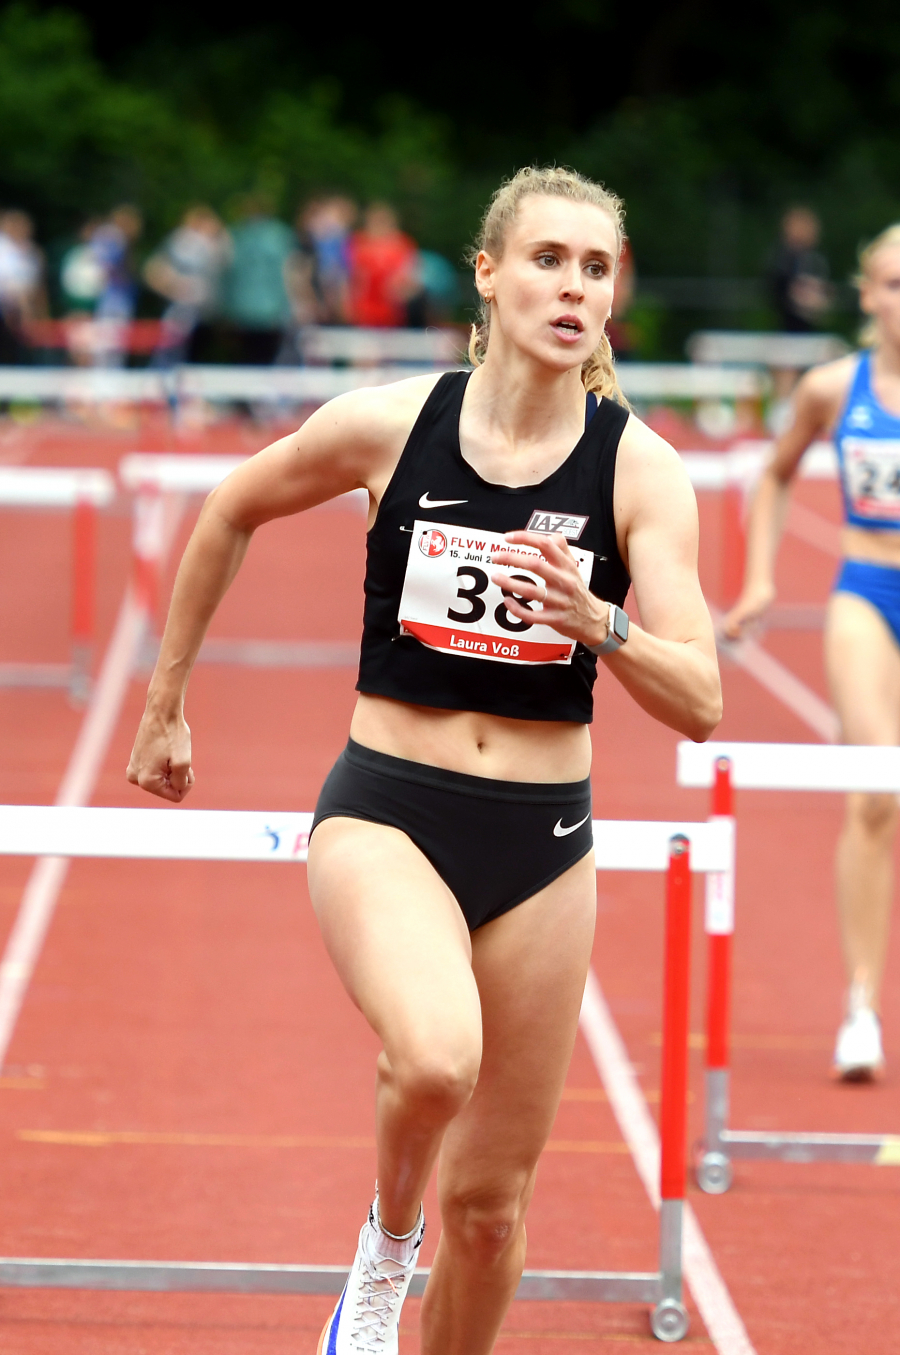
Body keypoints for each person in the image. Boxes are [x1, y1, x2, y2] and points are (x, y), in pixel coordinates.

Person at [126, 165, 721, 1355]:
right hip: (389, 810)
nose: (574, 287)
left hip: (545, 845)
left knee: (494, 1213)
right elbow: (231, 505)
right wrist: (165, 702)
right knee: (436, 1056)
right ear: (490, 274)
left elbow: (701, 697)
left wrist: (600, 620)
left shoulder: (637, 468)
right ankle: (385, 1255)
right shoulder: (394, 424)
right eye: (549, 260)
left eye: (596, 269)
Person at [725, 223, 900, 1081]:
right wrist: (759, 579)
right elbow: (776, 472)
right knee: (875, 798)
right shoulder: (837, 388)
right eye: (894, 284)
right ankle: (861, 1003)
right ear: (867, 295)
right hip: (866, 596)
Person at [144, 206, 232, 364]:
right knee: (173, 350)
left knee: (188, 354)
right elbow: (156, 271)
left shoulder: (213, 242)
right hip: (184, 307)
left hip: (204, 311)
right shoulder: (186, 241)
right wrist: (175, 287)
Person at [222, 195, 295, 364]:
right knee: (265, 361)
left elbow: (227, 273)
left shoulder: (236, 234)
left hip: (243, 309)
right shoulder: (280, 235)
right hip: (269, 309)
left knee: (247, 360)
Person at [347, 202, 419, 328]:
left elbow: (409, 276)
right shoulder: (357, 242)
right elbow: (350, 276)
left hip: (394, 311)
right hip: (362, 310)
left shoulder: (402, 244)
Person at [767, 207, 832, 335]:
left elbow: (824, 294)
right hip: (787, 328)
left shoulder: (815, 260)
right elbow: (777, 291)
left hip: (810, 328)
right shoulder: (781, 259)